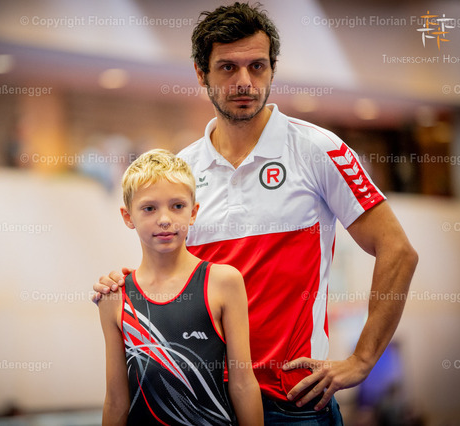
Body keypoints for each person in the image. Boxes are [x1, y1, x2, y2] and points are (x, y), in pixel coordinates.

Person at [95, 3, 418, 424]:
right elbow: (168, 271)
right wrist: (122, 283)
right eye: (228, 67)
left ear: (272, 69)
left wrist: (362, 360)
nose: (244, 82)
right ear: (201, 74)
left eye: (257, 66)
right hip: (205, 406)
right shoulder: (182, 171)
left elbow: (398, 251)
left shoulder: (318, 150)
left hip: (296, 404)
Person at [98, 149, 263, 425]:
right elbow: (116, 401)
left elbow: (243, 384)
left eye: (177, 206)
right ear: (128, 217)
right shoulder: (115, 297)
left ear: (193, 212)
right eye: (149, 208)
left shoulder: (223, 282)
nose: (165, 219)